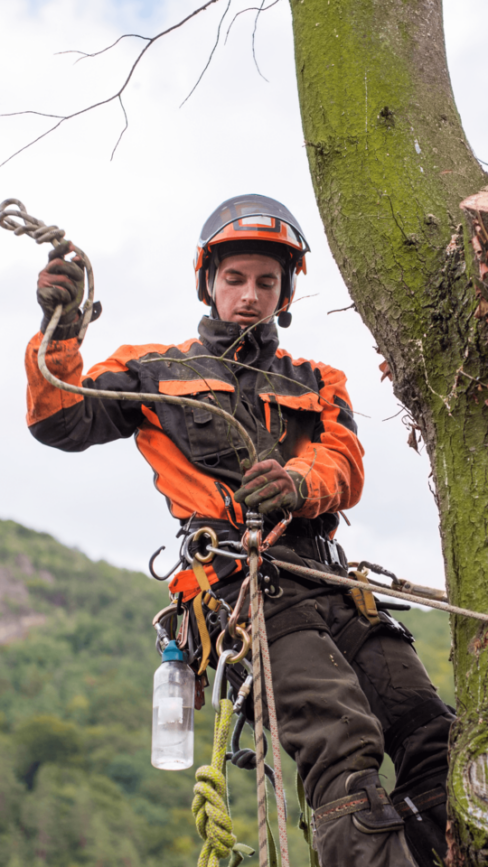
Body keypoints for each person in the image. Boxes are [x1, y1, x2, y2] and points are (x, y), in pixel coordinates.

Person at [26, 194, 453, 867]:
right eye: (235, 278)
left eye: (265, 281)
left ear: (285, 293)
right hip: (244, 595)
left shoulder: (317, 380)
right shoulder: (155, 371)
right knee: (343, 741)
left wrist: (301, 482)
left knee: (432, 731)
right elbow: (60, 416)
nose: (249, 295)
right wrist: (62, 324)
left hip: (333, 585)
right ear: (209, 282)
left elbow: (344, 462)